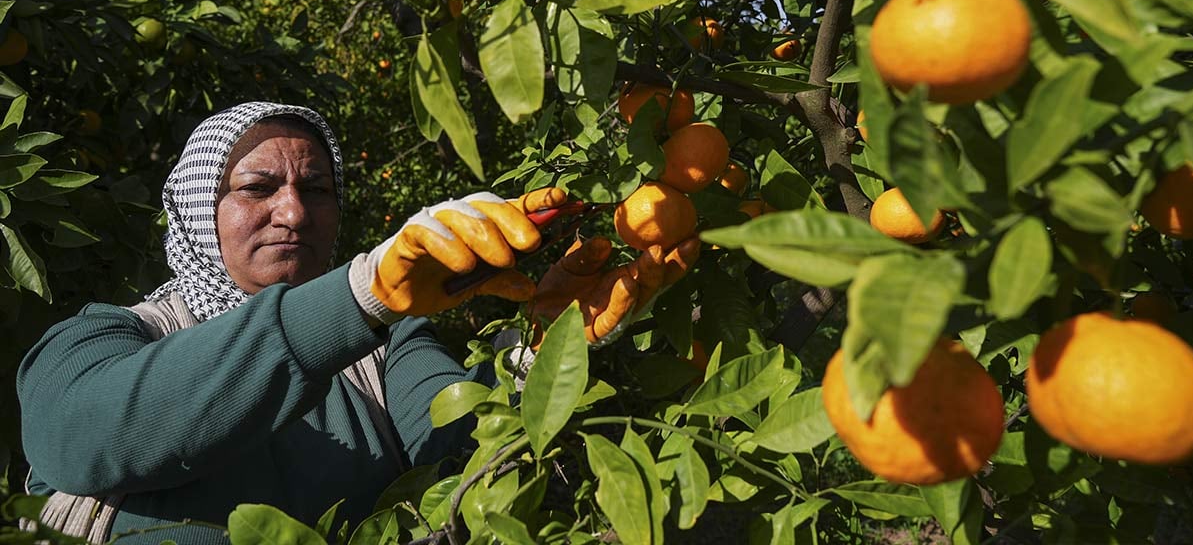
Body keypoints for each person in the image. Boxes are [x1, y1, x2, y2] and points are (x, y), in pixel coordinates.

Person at [17, 101, 698, 544]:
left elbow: (459, 459)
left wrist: (539, 358)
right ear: (199, 209)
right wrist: (358, 293)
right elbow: (81, 437)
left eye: (316, 191)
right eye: (259, 188)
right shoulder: (110, 336)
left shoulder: (384, 344)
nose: (293, 213)